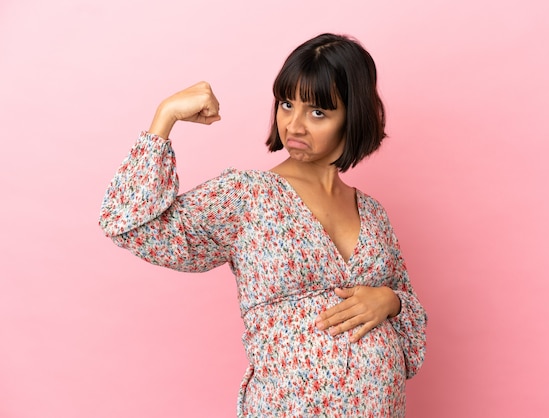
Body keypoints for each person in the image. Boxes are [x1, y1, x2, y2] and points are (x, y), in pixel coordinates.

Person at [99, 33, 426, 417]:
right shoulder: (247, 196)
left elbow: (411, 322)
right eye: (287, 104)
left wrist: (392, 301)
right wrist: (165, 116)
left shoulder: (372, 213)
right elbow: (128, 222)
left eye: (318, 112)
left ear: (353, 117)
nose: (295, 125)